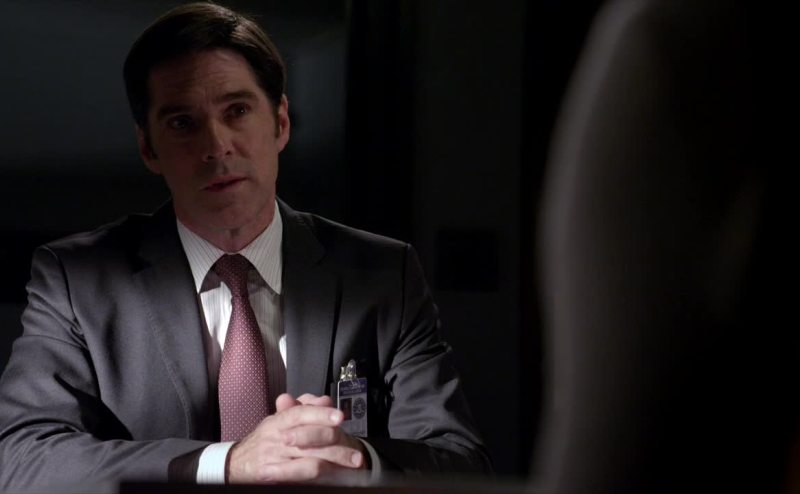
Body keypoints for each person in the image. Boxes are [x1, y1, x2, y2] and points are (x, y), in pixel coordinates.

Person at [0, 2, 490, 490]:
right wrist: (229, 463)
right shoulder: (76, 279)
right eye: (182, 123)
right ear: (148, 147)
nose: (216, 146)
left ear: (281, 123)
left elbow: (460, 462)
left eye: (237, 110)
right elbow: (21, 458)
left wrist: (352, 458)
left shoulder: (384, 274)